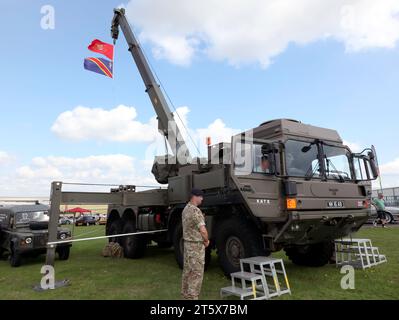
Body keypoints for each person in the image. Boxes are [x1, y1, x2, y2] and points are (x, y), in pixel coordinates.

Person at [181, 188, 209, 300]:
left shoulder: (185, 209)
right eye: (201, 196)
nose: (202, 199)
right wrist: (206, 240)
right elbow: (203, 230)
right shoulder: (195, 211)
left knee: (187, 273)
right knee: (196, 274)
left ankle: (185, 297)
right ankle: (192, 298)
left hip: (187, 246)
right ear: (195, 197)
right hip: (196, 247)